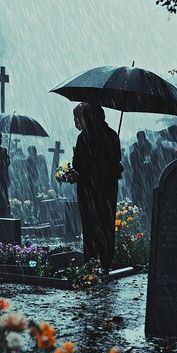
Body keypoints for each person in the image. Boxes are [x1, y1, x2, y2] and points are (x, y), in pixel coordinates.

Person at [72, 102, 122, 273]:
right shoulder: (112, 135)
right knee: (106, 223)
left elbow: (77, 165)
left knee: (90, 224)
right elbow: (117, 161)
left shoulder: (84, 137)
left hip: (88, 189)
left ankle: (91, 259)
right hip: (107, 189)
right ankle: (106, 260)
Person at [129, 131, 153, 216]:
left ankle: (142, 213)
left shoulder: (148, 147)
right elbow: (133, 164)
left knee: (144, 195)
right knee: (139, 196)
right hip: (141, 175)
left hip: (145, 175)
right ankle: (139, 213)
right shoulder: (136, 149)